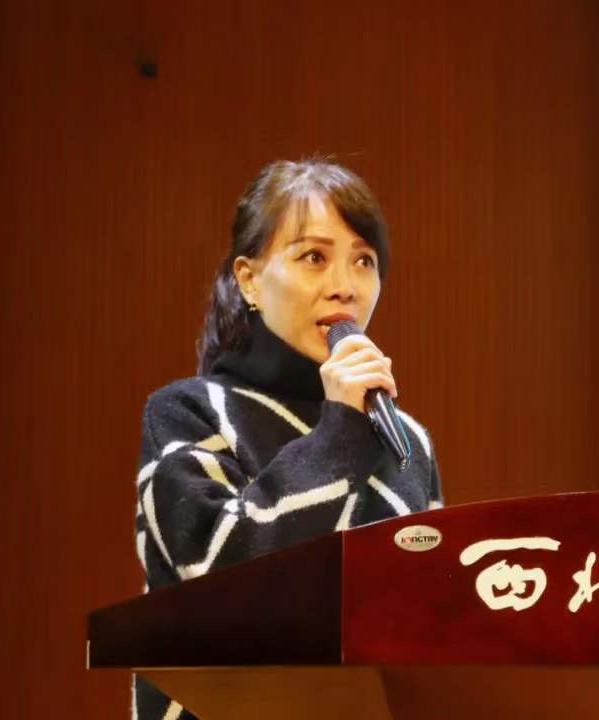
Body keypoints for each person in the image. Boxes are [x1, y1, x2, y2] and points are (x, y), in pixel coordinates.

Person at [132, 159, 443, 720]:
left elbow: (434, 625)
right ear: (249, 279)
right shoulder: (188, 413)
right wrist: (340, 432)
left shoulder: (407, 441)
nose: (344, 287)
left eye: (364, 261)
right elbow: (219, 578)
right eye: (314, 258)